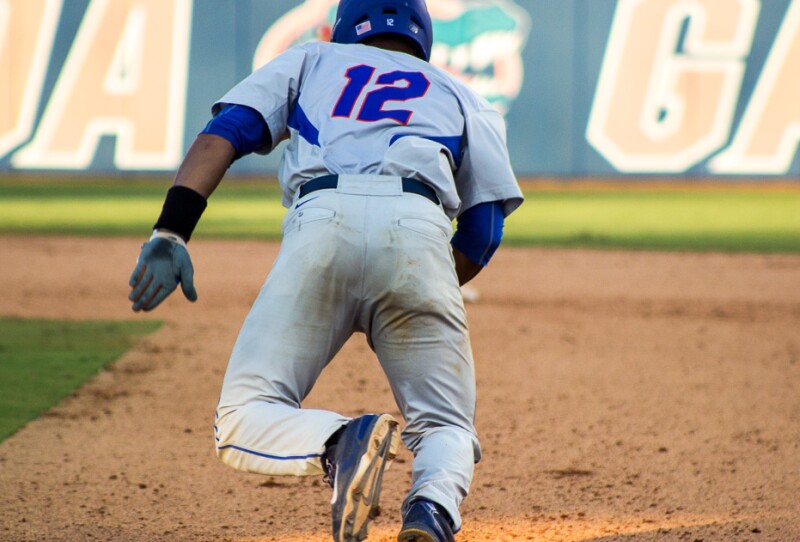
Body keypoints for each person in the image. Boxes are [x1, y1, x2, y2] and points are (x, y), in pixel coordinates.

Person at [128, 0, 523, 540]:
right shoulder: (463, 96)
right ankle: (430, 510)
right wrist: (417, 290)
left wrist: (171, 230)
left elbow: (222, 135)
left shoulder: (312, 59)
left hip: (321, 223)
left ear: (345, 25)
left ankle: (340, 441)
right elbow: (483, 232)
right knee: (446, 424)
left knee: (244, 415)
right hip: (420, 228)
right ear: (422, 35)